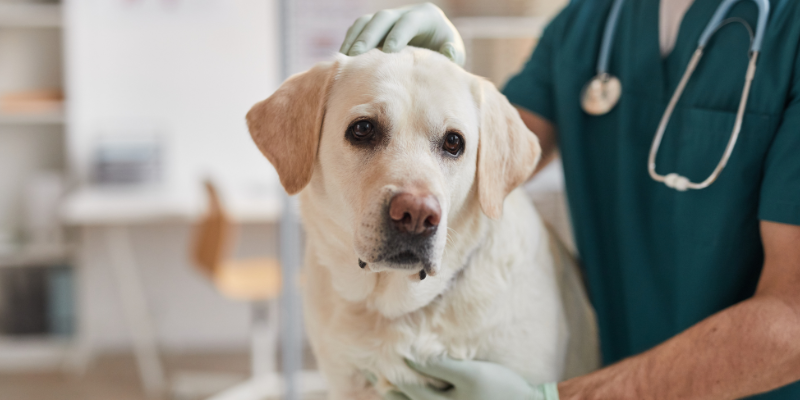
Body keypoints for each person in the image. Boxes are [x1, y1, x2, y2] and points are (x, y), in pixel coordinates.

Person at [338, 1, 800, 399]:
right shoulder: (589, 22)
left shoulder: (789, 31)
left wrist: (556, 398)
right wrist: (439, 80)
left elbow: (794, 318)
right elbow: (483, 159)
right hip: (607, 360)